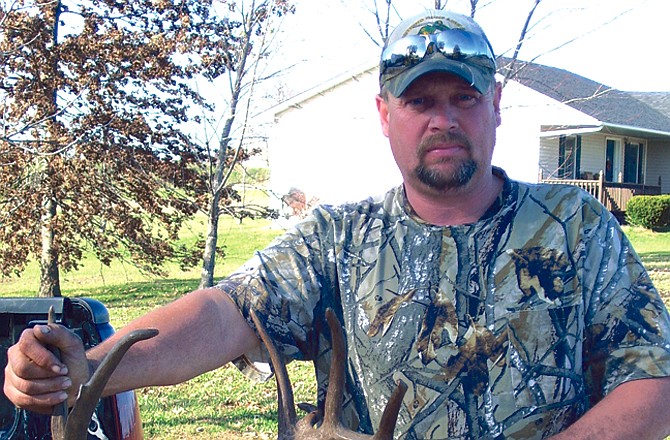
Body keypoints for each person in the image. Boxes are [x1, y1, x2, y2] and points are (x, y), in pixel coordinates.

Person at [5, 9, 670, 439]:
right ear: (386, 115)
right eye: (419, 101)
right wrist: (82, 369)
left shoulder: (576, 226)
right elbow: (227, 313)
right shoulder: (342, 240)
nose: (443, 119)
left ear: (495, 106)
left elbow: (652, 380)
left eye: (463, 98)